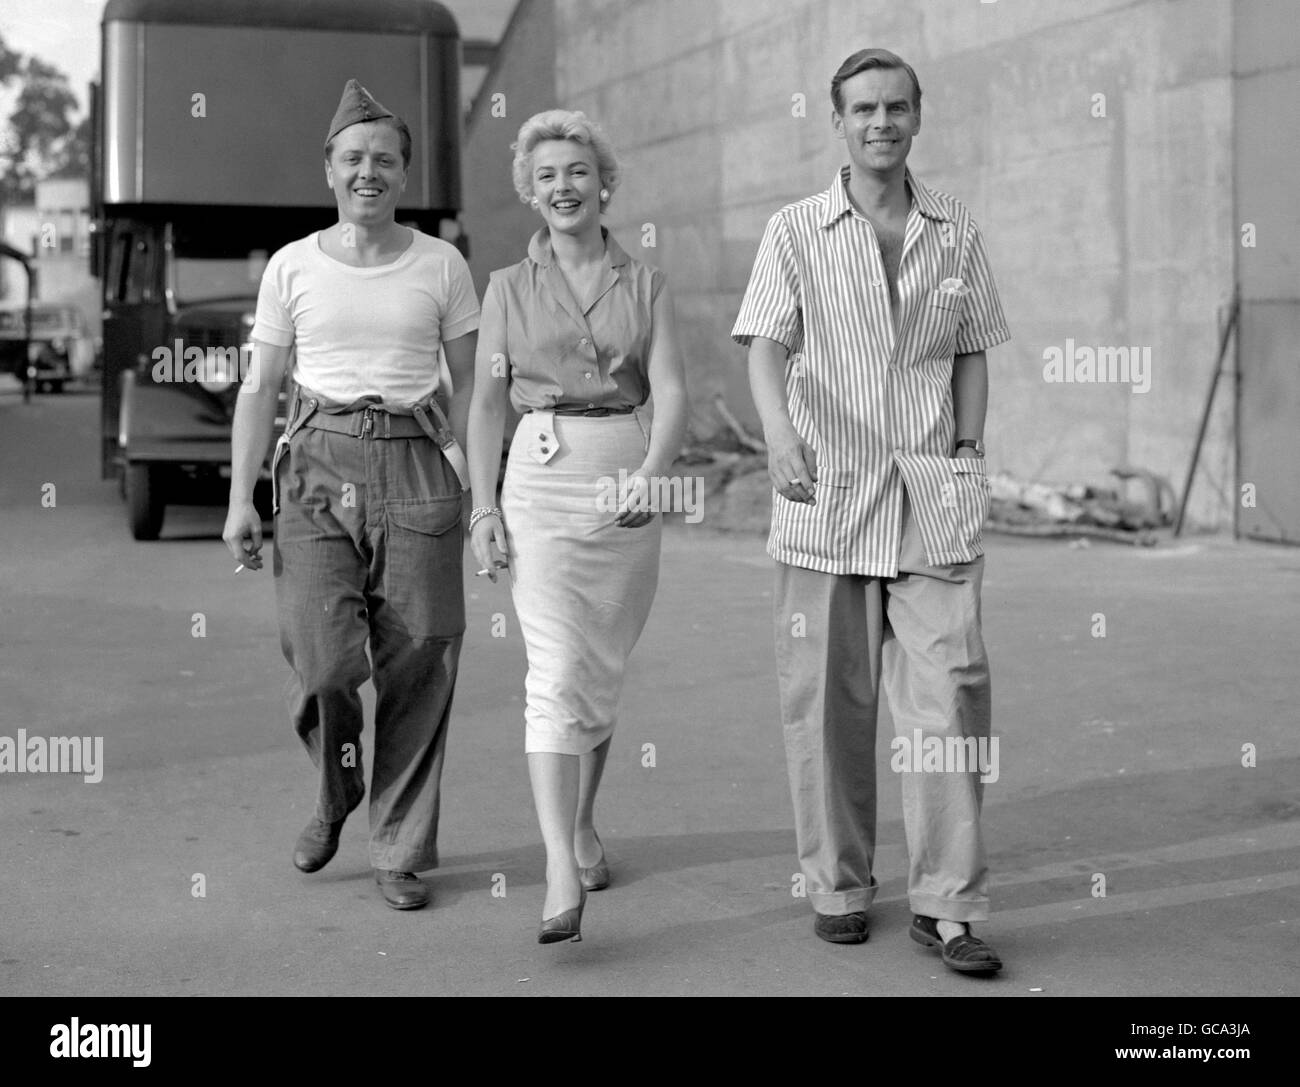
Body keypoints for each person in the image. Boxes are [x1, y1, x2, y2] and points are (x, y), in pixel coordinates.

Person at [732, 49, 1010, 975]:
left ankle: (947, 901)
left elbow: (972, 347)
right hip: (829, 496)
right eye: (863, 108)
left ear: (918, 116)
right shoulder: (796, 229)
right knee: (828, 706)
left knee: (951, 696)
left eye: (896, 106)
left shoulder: (955, 228)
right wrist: (777, 436)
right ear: (838, 119)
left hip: (931, 497)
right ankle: (840, 884)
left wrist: (968, 444)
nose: (880, 121)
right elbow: (767, 347)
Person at [222, 80, 479, 911]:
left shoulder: (442, 264)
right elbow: (260, 389)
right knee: (324, 660)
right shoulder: (292, 266)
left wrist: (487, 498)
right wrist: (239, 501)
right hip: (316, 465)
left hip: (416, 459)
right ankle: (337, 790)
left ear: (405, 174)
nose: (370, 172)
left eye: (386, 160)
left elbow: (475, 390)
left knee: (421, 659)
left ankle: (398, 846)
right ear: (329, 168)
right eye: (354, 158)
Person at [467, 110, 687, 943]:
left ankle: (585, 821)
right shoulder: (505, 289)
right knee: (555, 670)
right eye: (547, 176)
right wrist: (483, 507)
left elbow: (670, 389)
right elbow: (487, 402)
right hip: (540, 474)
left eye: (577, 171)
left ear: (604, 183)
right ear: (532, 191)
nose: (563, 186)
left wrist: (654, 473)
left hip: (625, 473)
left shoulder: (647, 283)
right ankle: (559, 861)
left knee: (597, 665)